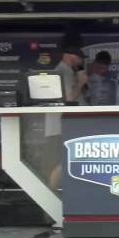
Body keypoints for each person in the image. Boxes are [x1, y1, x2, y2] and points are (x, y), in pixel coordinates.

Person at [44, 45, 87, 189]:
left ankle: (55, 193)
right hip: (61, 128)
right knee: (61, 162)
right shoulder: (62, 72)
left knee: (65, 162)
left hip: (66, 126)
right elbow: (68, 100)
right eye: (79, 58)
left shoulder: (69, 71)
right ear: (70, 56)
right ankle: (50, 195)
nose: (81, 61)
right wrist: (81, 83)